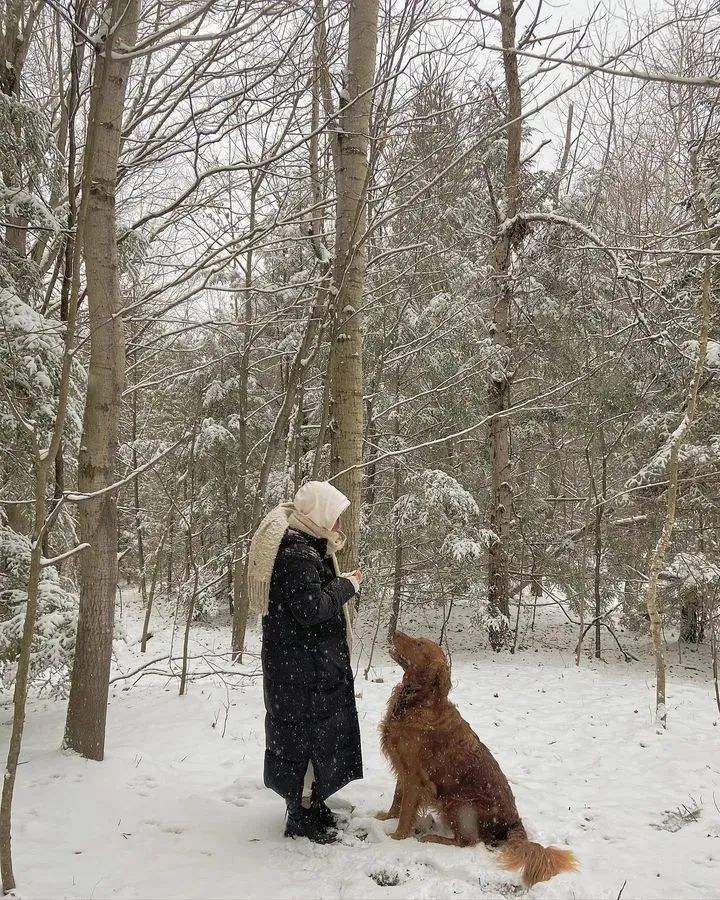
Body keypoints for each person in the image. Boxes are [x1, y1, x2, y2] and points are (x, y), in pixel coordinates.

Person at [247, 480, 363, 843]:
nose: (340, 525)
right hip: (301, 670)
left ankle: (313, 806)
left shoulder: (306, 545)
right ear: (320, 514)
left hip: (305, 666)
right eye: (336, 516)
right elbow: (310, 610)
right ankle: (300, 816)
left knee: (310, 739)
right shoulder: (297, 553)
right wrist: (346, 585)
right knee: (304, 741)